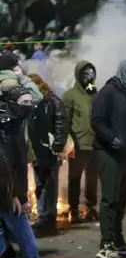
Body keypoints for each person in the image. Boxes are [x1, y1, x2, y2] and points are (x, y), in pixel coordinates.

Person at [0, 83, 66, 258]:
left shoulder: (16, 124)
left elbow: (17, 166)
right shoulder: (6, 129)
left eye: (30, 102)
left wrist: (22, 196)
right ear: (12, 103)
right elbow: (5, 168)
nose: (29, 106)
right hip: (6, 196)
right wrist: (14, 195)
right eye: (24, 103)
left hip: (10, 195)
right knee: (28, 244)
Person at [92, 60, 126, 258]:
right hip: (108, 153)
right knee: (110, 198)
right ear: (124, 73)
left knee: (121, 198)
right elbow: (97, 120)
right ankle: (106, 243)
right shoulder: (108, 92)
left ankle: (118, 240)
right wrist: (112, 138)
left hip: (125, 154)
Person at [27, 74, 68, 229]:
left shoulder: (53, 101)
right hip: (37, 150)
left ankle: (48, 218)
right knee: (40, 183)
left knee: (48, 184)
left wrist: (57, 146)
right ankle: (43, 215)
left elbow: (61, 124)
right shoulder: (34, 102)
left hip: (50, 150)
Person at [62, 60, 99, 223]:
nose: (89, 76)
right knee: (75, 178)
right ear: (78, 75)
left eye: (91, 73)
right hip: (77, 144)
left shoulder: (96, 94)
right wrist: (68, 143)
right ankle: (74, 208)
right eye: (85, 73)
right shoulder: (70, 95)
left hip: (95, 144)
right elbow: (65, 121)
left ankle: (91, 207)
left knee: (92, 178)